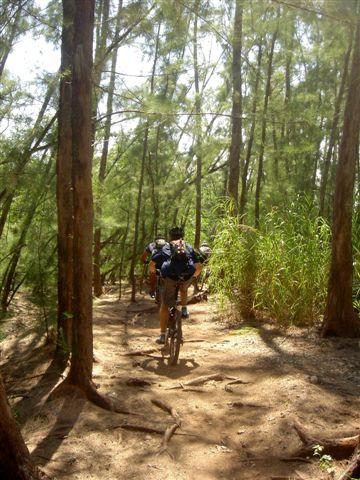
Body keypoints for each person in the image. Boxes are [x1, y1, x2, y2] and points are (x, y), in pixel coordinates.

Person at [150, 226, 202, 344]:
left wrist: (154, 272)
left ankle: (163, 335)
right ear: (182, 236)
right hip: (186, 277)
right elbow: (199, 266)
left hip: (171, 278)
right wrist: (193, 277)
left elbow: (152, 264)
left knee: (164, 306)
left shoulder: (166, 247)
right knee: (184, 288)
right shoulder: (188, 246)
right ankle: (184, 309)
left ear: (170, 237)